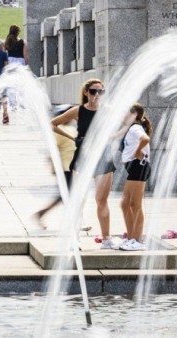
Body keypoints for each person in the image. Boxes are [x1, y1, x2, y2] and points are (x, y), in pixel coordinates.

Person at [51, 79, 116, 249]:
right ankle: (74, 239)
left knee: (102, 200)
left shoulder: (108, 111)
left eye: (100, 92)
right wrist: (73, 138)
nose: (97, 95)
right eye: (93, 91)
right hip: (83, 157)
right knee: (78, 200)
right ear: (86, 92)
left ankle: (107, 239)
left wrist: (110, 137)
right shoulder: (78, 110)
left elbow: (126, 123)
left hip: (104, 156)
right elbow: (53, 124)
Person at [117, 103, 153, 251]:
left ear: (134, 115)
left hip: (139, 165)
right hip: (134, 167)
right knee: (125, 204)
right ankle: (131, 238)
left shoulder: (135, 128)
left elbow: (145, 139)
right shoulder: (130, 128)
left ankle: (137, 240)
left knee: (135, 204)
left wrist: (139, 152)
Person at [34, 105, 77, 224]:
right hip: (64, 167)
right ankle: (43, 214)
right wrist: (53, 165)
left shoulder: (71, 128)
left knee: (68, 195)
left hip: (72, 166)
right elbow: (53, 150)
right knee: (66, 195)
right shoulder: (59, 130)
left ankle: (44, 214)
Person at [4, 25, 28, 109]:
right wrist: (26, 64)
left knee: (11, 83)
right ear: (18, 32)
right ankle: (22, 103)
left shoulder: (7, 41)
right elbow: (25, 55)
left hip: (10, 62)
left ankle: (13, 104)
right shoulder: (23, 42)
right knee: (21, 83)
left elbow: (4, 53)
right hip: (20, 62)